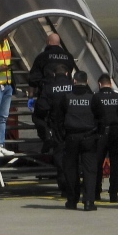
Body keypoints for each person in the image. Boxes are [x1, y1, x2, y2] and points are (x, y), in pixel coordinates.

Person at [53, 70, 100, 211]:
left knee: (70, 170)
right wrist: (98, 134)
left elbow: (58, 119)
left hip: (71, 137)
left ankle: (72, 201)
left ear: (74, 81)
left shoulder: (66, 97)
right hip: (89, 137)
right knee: (89, 171)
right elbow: (101, 118)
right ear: (87, 82)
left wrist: (62, 136)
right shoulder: (93, 98)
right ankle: (88, 202)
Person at [35, 64, 74, 193]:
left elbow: (41, 108)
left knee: (60, 155)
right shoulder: (73, 86)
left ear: (54, 75)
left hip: (57, 125)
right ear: (67, 74)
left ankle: (64, 186)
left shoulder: (49, 88)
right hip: (74, 125)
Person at [91, 73, 118, 203]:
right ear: (110, 84)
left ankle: (96, 192)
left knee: (97, 163)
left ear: (99, 84)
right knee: (116, 162)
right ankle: (113, 193)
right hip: (116, 131)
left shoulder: (95, 98)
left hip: (101, 132)